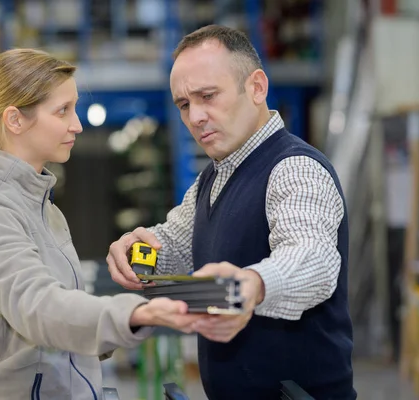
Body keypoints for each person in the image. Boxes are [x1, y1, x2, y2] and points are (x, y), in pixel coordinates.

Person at [0, 48, 216, 400]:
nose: (77, 124)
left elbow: (59, 320)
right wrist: (138, 314)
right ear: (15, 120)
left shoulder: (45, 209)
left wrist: (137, 300)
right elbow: (39, 309)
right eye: (62, 110)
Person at [107, 25, 356, 400]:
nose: (196, 117)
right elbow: (173, 246)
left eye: (208, 96)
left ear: (256, 87)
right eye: (184, 104)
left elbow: (313, 258)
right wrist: (136, 254)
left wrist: (252, 285)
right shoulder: (213, 178)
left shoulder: (294, 169)